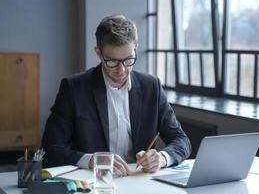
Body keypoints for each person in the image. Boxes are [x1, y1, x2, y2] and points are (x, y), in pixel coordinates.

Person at [42, 14, 191, 177]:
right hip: (94, 181)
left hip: (139, 180)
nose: (121, 70)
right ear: (98, 53)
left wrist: (162, 158)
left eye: (128, 60)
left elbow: (181, 140)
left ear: (136, 48)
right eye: (112, 61)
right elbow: (50, 150)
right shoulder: (74, 88)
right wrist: (92, 160)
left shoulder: (151, 87)